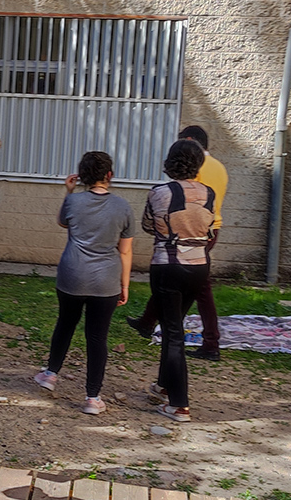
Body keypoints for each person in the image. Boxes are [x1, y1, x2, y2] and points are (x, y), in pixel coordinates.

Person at [32, 151, 134, 416]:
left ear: (82, 176)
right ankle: (92, 397)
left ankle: (50, 374)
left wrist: (69, 192)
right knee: (97, 337)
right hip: (106, 280)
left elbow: (63, 222)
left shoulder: (74, 202)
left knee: (65, 324)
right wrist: (125, 285)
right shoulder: (123, 207)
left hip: (71, 275)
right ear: (109, 175)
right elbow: (125, 251)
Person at [127, 125, 227, 360]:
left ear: (190, 143)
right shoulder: (220, 168)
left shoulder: (197, 167)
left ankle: (210, 341)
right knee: (179, 279)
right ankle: (148, 321)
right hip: (210, 229)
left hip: (187, 232)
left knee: (196, 287)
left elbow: (187, 202)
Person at [140, 140, 215, 424]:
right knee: (174, 326)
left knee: (173, 334)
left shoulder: (160, 193)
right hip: (199, 266)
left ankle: (179, 404)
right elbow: (207, 227)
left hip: (168, 265)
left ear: (171, 161)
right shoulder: (209, 193)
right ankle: (163, 385)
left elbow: (149, 225)